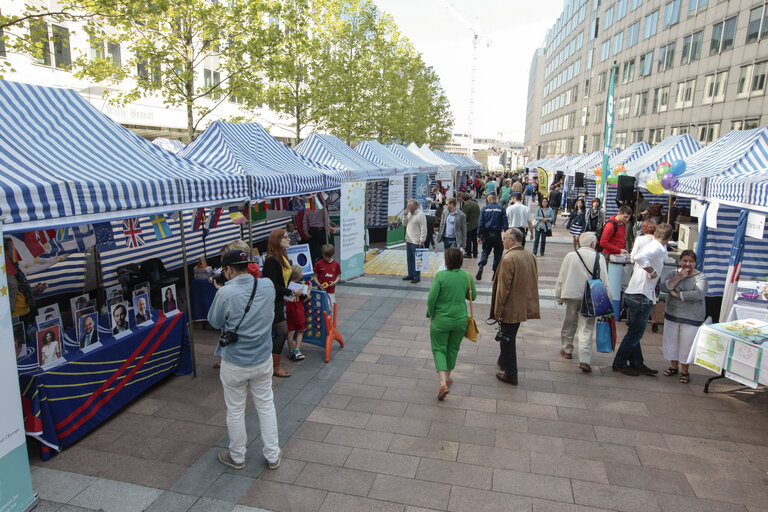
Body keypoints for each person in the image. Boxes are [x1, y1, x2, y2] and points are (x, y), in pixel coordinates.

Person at [208, 249, 281, 471]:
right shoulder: (267, 285)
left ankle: (237, 457)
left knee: (236, 410)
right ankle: (273, 455)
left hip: (235, 362)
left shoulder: (225, 294)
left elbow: (214, 321)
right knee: (266, 405)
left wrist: (222, 291)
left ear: (229, 270)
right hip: (262, 358)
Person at [612, 223, 674, 376]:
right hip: (641, 295)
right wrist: (652, 271)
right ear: (670, 238)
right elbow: (639, 258)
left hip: (636, 293)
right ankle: (619, 363)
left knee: (635, 332)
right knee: (635, 334)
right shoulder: (657, 247)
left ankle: (637, 362)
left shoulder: (654, 245)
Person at [555, 232, 611, 372]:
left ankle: (567, 349)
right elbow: (604, 280)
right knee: (586, 327)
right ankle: (585, 359)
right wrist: (608, 299)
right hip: (591, 297)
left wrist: (559, 296)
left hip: (572, 294)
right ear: (593, 244)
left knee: (569, 322)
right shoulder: (599, 258)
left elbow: (562, 276)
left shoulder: (571, 256)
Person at [490, 228, 540, 385]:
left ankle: (511, 374)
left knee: (508, 340)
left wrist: (497, 311)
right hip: (521, 304)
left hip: (510, 307)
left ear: (512, 240)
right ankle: (503, 361)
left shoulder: (509, 258)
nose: (502, 240)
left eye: (504, 238)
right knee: (508, 335)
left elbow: (503, 288)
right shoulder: (529, 256)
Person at [427, 248, 477, 400]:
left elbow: (431, 298)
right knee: (453, 349)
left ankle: (442, 383)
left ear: (447, 261)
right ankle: (447, 378)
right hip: (460, 320)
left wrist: (431, 313)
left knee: (439, 349)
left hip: (441, 320)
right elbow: (473, 297)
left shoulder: (440, 276)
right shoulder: (467, 276)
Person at [659, 250, 708, 384]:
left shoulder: (700, 277)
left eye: (691, 261)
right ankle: (673, 366)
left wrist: (678, 294)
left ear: (695, 263)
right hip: (673, 314)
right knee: (671, 342)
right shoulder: (673, 273)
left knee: (686, 345)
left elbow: (698, 294)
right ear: (680, 261)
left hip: (691, 317)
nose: (687, 264)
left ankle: (685, 371)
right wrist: (678, 278)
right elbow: (663, 287)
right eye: (685, 261)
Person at [263, 229, 299, 378]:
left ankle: (270, 363)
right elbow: (272, 285)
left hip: (279, 300)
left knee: (278, 332)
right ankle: (274, 366)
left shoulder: (283, 256)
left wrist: (295, 288)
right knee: (282, 331)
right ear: (277, 241)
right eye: (285, 237)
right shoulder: (272, 260)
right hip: (272, 301)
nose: (289, 239)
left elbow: (284, 280)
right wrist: (290, 292)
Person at [475, 194, 508, 280]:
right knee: (497, 253)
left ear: (489, 199)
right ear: (495, 199)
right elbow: (505, 223)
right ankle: (495, 273)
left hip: (487, 234)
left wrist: (478, 235)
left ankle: (481, 264)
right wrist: (506, 235)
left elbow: (480, 223)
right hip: (497, 234)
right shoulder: (501, 209)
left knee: (485, 251)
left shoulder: (484, 209)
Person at [285, 265, 311, 361]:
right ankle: (297, 351)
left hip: (289, 313)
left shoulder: (286, 286)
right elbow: (304, 299)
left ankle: (291, 351)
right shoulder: (299, 287)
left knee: (290, 332)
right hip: (298, 313)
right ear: (299, 276)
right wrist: (309, 290)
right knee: (300, 331)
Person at [403, 199, 427, 284]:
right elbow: (404, 224)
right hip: (409, 240)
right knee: (409, 259)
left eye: (410, 206)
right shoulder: (409, 213)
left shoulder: (420, 215)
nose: (408, 207)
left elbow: (424, 228)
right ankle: (410, 274)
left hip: (416, 241)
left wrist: (422, 240)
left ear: (415, 206)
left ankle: (417, 276)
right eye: (408, 206)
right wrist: (405, 216)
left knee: (416, 260)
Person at [460, 193, 480, 258]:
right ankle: (475, 253)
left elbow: (465, 216)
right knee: (475, 240)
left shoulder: (466, 205)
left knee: (468, 240)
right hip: (476, 224)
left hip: (469, 225)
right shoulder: (475, 203)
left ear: (462, 199)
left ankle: (468, 253)